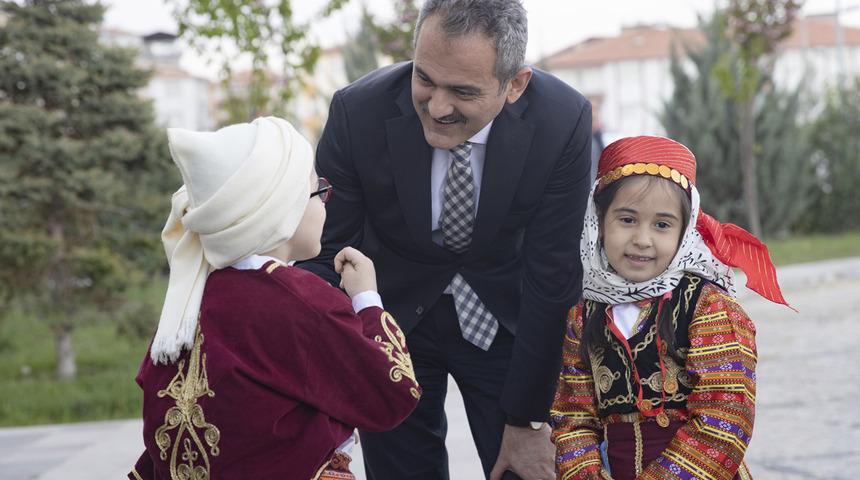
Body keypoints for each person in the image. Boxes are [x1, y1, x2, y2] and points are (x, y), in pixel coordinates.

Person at [296, 1, 592, 478]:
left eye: (463, 91)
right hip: (392, 320)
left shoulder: (562, 120)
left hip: (507, 321)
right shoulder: (357, 112)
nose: (437, 107)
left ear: (515, 84)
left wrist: (528, 418)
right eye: (425, 79)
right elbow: (325, 252)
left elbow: (554, 274)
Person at [128, 117, 421, 480]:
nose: (325, 204)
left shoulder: (188, 303)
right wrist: (367, 299)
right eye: (317, 192)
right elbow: (390, 395)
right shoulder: (303, 301)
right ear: (284, 210)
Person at [550, 136, 793, 479]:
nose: (642, 240)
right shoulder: (585, 313)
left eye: (662, 225)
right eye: (627, 220)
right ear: (599, 221)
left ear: (685, 231)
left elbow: (724, 417)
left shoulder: (709, 307)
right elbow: (573, 417)